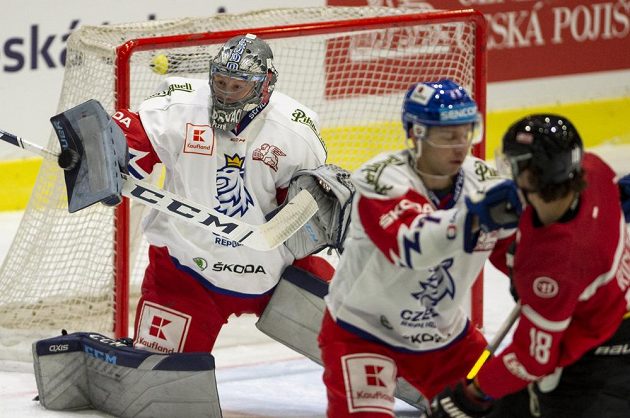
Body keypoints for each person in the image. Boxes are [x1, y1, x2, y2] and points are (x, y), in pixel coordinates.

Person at [111, 33, 330, 354]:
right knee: (166, 380)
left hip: (275, 275)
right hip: (186, 273)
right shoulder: (181, 106)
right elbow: (126, 141)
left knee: (357, 336)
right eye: (221, 82)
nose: (226, 94)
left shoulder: (296, 131)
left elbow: (304, 213)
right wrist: (97, 146)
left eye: (237, 86)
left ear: (263, 86)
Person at [317, 79, 522, 417]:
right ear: (416, 134)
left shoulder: (484, 182)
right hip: (363, 332)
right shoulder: (379, 179)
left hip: (446, 340)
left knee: (512, 408)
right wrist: (475, 215)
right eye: (446, 136)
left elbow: (517, 254)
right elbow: (413, 246)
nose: (460, 147)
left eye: (465, 132)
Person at [430, 114, 630, 418]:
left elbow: (532, 359)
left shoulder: (556, 265)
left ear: (534, 175)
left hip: (596, 356)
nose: (511, 170)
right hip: (606, 310)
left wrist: (473, 394)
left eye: (516, 163)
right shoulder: (594, 170)